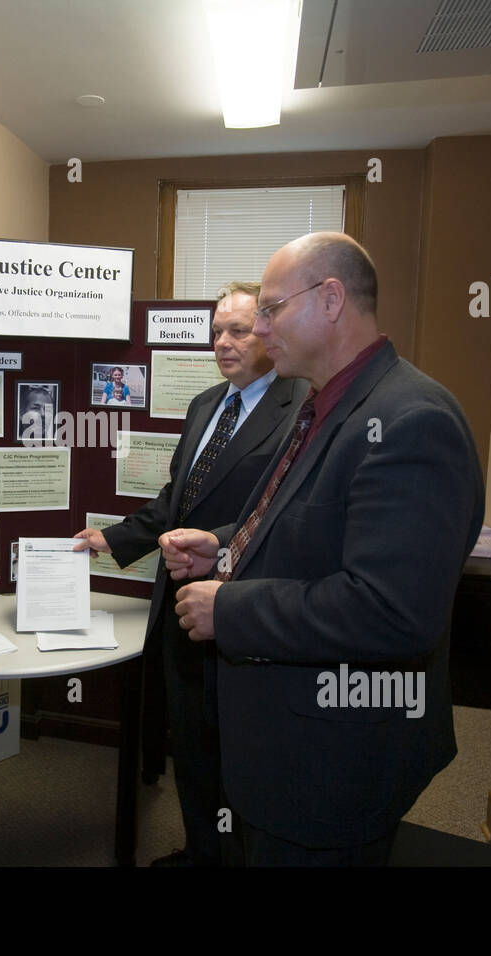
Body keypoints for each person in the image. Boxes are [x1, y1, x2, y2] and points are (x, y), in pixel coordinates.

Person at [162, 233, 484, 866]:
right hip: (287, 739)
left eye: (271, 308)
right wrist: (222, 548)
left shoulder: (410, 420)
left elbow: (391, 612)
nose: (257, 326)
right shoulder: (324, 402)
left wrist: (229, 610)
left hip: (332, 764)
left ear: (331, 299)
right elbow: (301, 526)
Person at [74, 282, 308, 867]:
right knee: (193, 750)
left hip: (240, 609)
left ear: (268, 331)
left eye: (237, 331)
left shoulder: (300, 406)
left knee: (240, 754)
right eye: (214, 334)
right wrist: (112, 537)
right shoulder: (207, 404)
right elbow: (177, 501)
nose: (223, 344)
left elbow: (282, 518)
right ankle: (201, 851)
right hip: (177, 605)